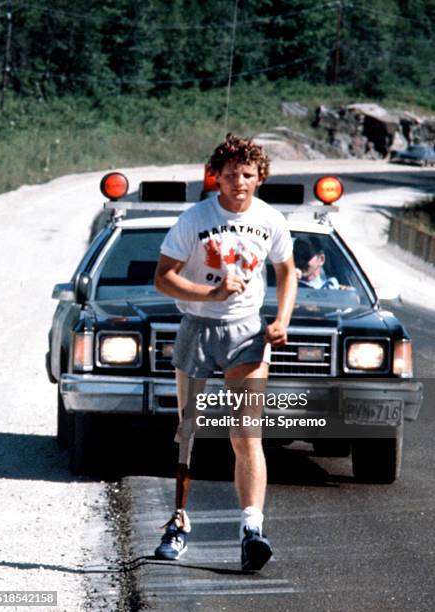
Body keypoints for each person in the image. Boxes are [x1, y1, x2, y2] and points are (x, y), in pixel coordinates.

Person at [153, 134, 297, 570]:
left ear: (260, 178)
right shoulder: (194, 218)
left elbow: (287, 271)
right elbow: (163, 278)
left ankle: (252, 528)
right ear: (216, 177)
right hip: (198, 327)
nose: (238, 182)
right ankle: (178, 524)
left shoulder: (271, 220)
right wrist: (208, 294)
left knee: (246, 434)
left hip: (246, 334)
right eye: (230, 175)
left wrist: (282, 320)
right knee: (188, 430)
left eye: (247, 175)